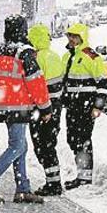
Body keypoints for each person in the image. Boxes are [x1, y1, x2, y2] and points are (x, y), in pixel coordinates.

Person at [0, 15, 51, 204]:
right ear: (23, 30)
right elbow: (36, 82)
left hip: (0, 105)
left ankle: (22, 189)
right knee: (17, 146)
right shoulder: (24, 53)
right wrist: (45, 107)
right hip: (19, 105)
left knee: (21, 146)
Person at [60, 23, 107, 190]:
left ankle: (85, 177)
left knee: (83, 140)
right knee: (72, 139)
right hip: (72, 107)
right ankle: (81, 174)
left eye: (74, 37)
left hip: (86, 107)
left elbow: (103, 83)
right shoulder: (67, 57)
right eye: (70, 36)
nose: (71, 40)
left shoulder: (91, 57)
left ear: (82, 38)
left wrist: (98, 106)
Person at [27, 23, 65, 196]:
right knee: (49, 143)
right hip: (55, 106)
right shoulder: (54, 56)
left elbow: (35, 86)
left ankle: (54, 183)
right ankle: (53, 180)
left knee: (42, 145)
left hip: (41, 108)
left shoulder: (36, 58)